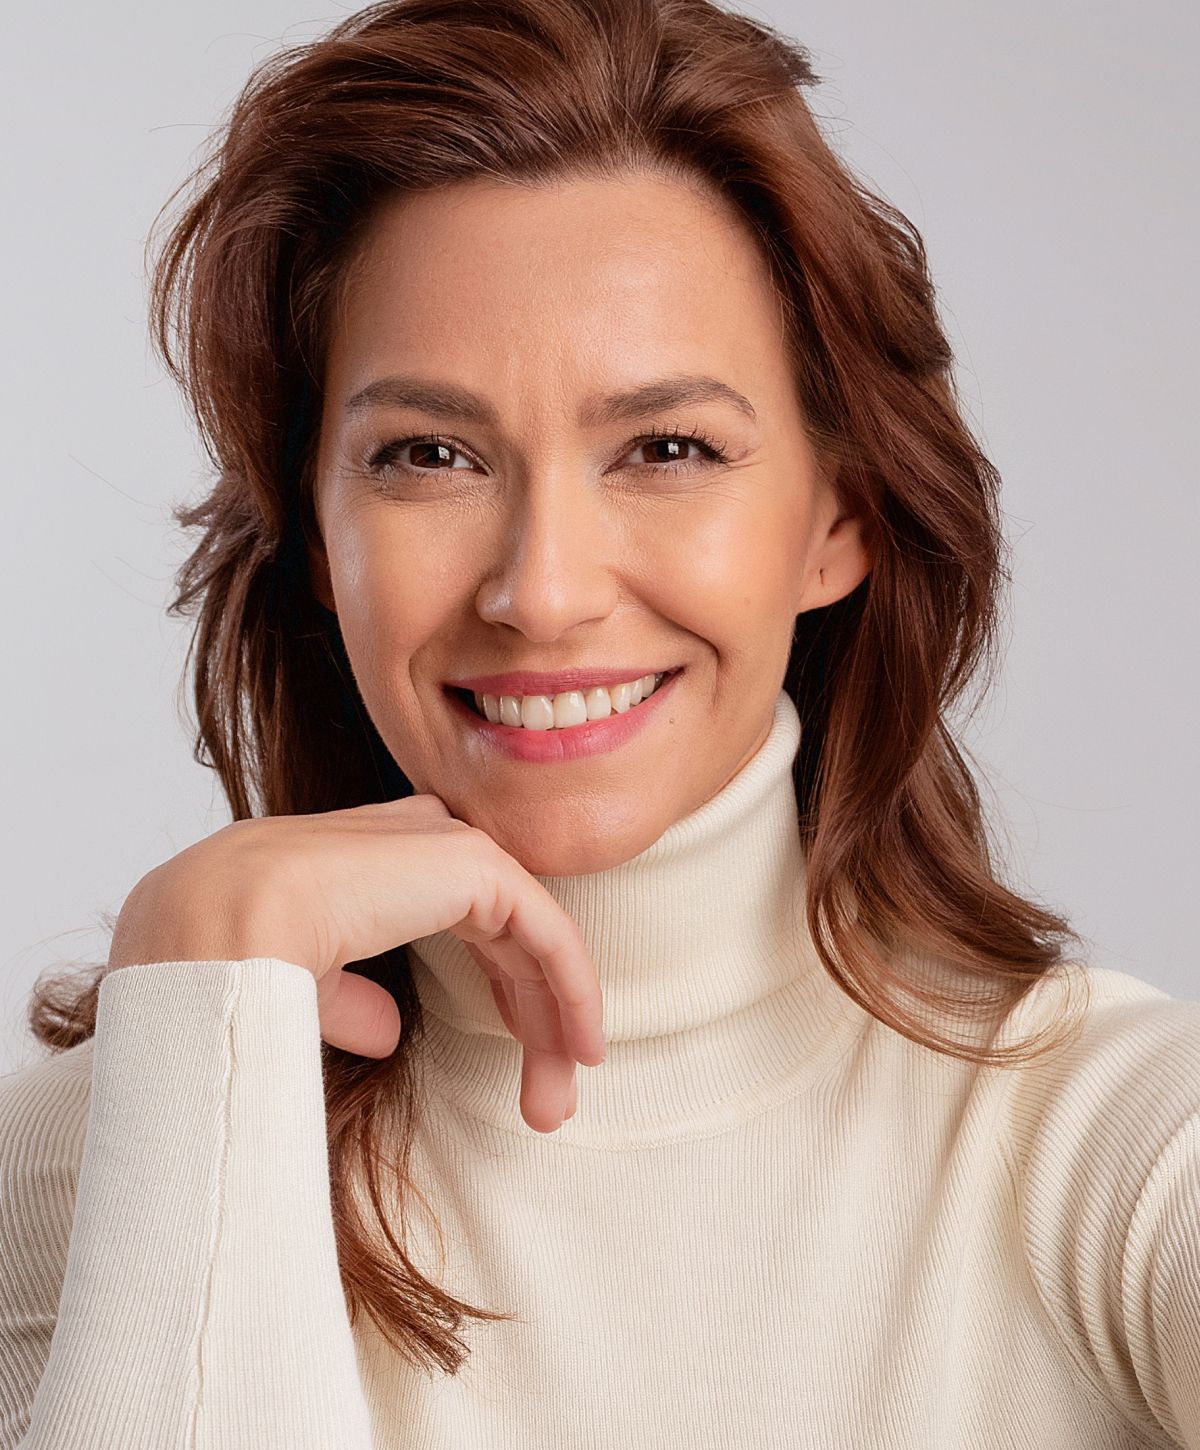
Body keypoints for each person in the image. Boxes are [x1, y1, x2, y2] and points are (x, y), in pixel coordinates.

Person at [1, 0, 1197, 1445]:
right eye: (427, 454)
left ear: (840, 514)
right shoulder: (96, 1159)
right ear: (316, 535)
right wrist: (195, 1014)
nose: (544, 591)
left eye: (666, 447)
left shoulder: (1123, 1151)